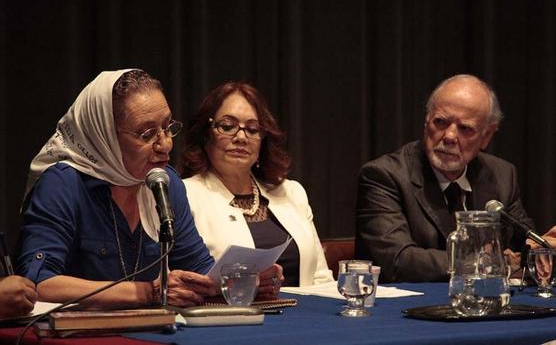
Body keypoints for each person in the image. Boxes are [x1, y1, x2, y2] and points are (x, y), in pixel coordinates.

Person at [16, 69, 216, 309]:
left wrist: (244, 278)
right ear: (104, 136)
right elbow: (37, 282)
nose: (165, 144)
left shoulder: (165, 182)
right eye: (147, 134)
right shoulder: (63, 184)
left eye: (167, 126)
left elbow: (199, 271)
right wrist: (146, 293)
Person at [355, 74, 534, 283]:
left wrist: (542, 250)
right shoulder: (384, 176)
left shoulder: (502, 175)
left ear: (486, 136)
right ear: (426, 122)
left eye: (465, 128)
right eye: (440, 122)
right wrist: (489, 263)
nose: (449, 136)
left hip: (481, 304)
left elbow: (526, 242)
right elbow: (398, 260)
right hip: (406, 309)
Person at [181, 82, 333, 290]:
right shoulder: (185, 195)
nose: (241, 137)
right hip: (231, 317)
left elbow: (321, 278)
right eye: (227, 126)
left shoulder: (291, 192)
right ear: (206, 134)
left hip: (303, 316)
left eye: (252, 129)